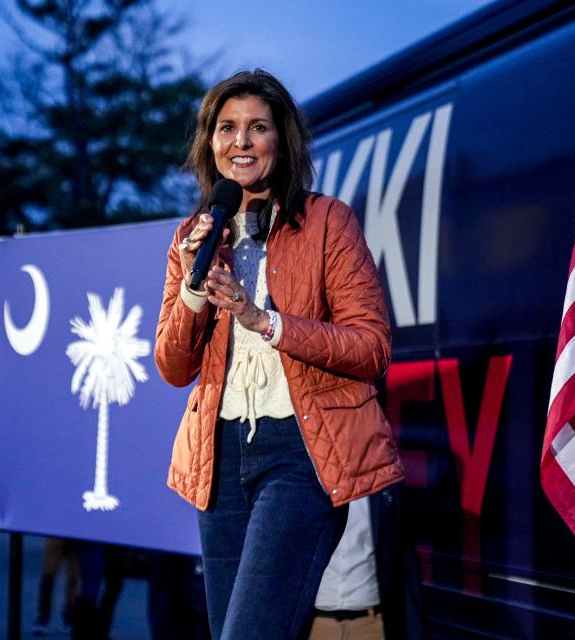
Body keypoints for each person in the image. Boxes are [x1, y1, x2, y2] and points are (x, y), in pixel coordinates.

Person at [155, 69, 404, 640]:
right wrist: (197, 285)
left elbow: (372, 346)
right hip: (217, 456)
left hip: (300, 453)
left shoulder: (326, 221)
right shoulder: (192, 235)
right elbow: (172, 367)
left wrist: (263, 321)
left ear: (280, 141)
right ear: (210, 143)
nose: (240, 142)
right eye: (227, 128)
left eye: (257, 128)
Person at [310, 485, 427, 640]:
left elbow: (405, 565)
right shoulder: (302, 486)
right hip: (316, 626)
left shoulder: (386, 488)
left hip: (371, 626)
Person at [32, 537, 80, 636]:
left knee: (71, 579)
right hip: (64, 534)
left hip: (69, 534)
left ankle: (67, 618)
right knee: (50, 577)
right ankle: (46, 618)